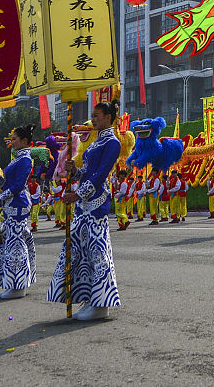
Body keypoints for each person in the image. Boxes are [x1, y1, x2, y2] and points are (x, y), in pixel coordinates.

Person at [47, 100, 123, 320]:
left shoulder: (113, 143)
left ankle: (102, 304)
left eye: (97, 115)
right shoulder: (96, 141)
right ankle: (90, 299)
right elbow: (89, 172)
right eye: (93, 115)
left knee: (98, 251)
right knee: (82, 251)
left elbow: (101, 175)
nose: (93, 119)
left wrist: (78, 194)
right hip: (84, 203)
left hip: (96, 202)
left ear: (108, 118)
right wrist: (75, 171)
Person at [0, 125, 37, 300]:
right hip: (11, 203)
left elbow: (18, 185)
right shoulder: (17, 158)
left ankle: (18, 285)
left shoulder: (25, 159)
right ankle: (14, 283)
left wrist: (2, 195)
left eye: (14, 139)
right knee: (12, 243)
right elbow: (8, 183)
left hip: (18, 203)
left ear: (24, 141)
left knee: (16, 245)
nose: (11, 142)